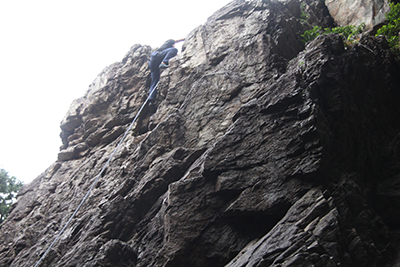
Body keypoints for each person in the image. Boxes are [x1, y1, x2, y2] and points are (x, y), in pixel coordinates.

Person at [148, 39, 185, 105]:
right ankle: (164, 62)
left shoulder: (165, 50)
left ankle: (151, 100)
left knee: (154, 81)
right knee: (174, 50)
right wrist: (184, 39)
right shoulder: (168, 44)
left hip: (153, 64)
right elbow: (174, 42)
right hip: (156, 56)